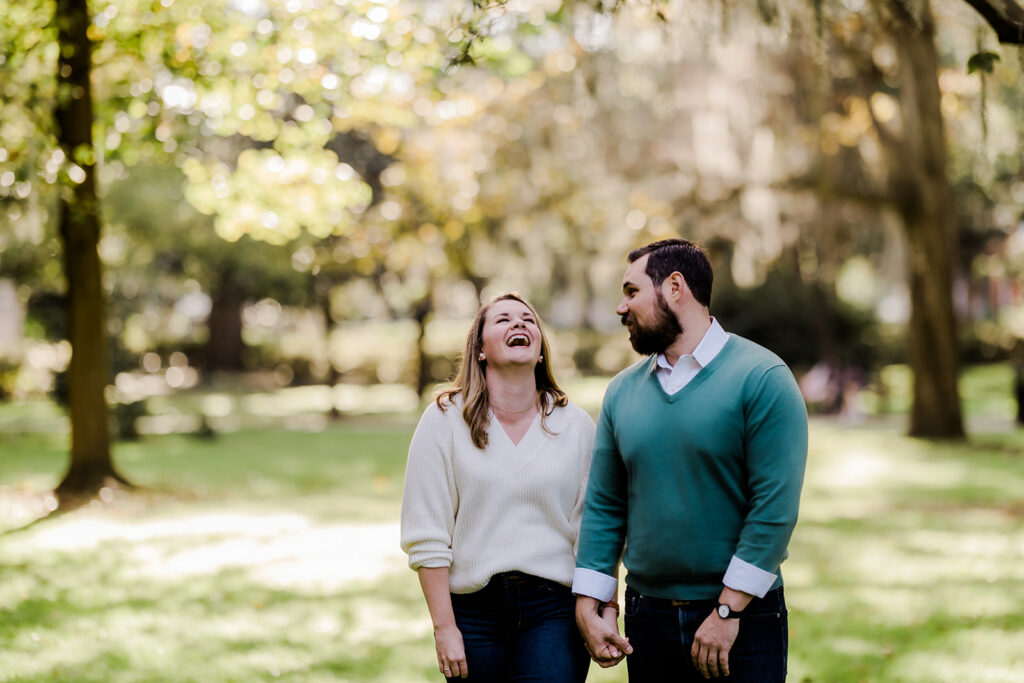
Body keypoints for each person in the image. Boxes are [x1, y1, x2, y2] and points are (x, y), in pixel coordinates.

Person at [572, 239, 808, 681]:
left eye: (631, 291)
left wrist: (727, 609)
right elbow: (605, 504)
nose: (621, 308)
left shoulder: (763, 378)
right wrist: (590, 600)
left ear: (675, 287)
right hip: (647, 620)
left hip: (744, 620)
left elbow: (774, 510)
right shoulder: (621, 392)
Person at [401, 293, 598, 682]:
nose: (519, 324)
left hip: (554, 610)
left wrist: (601, 605)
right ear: (480, 349)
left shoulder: (575, 425)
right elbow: (426, 536)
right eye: (503, 320)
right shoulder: (443, 420)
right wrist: (444, 628)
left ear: (540, 350)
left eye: (528, 320)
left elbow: (594, 530)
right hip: (472, 614)